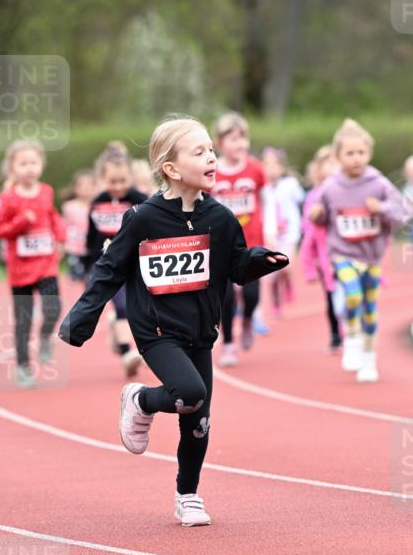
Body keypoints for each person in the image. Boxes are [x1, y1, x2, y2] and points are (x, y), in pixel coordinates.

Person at [58, 116, 288, 526]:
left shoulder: (219, 217)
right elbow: (109, 270)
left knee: (197, 420)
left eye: (211, 150)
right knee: (189, 390)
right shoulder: (143, 219)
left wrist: (259, 261)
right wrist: (82, 318)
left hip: (201, 330)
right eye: (199, 152)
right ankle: (141, 399)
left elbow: (235, 266)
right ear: (171, 168)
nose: (212, 157)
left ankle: (188, 495)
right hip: (158, 330)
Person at [310, 118, 406, 382]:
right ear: (338, 156)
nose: (356, 158)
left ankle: (368, 356)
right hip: (342, 254)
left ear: (369, 153)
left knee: (370, 307)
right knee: (352, 296)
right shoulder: (331, 186)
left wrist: (383, 209)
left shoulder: (379, 184)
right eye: (350, 153)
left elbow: (402, 213)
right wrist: (317, 214)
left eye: (361, 152)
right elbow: (317, 215)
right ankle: (351, 337)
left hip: (371, 257)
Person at [0, 139, 65, 388]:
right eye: (23, 163)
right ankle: (23, 366)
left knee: (53, 308)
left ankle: (45, 337)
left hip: (46, 265)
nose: (29, 168)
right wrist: (21, 222)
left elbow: (52, 216)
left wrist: (61, 238)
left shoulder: (46, 191)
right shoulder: (8, 198)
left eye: (33, 162)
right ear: (12, 167)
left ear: (41, 164)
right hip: (20, 271)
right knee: (22, 320)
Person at [85, 143, 147, 377]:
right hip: (108, 265)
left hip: (137, 263)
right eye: (113, 181)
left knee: (137, 309)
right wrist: (88, 267)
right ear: (102, 178)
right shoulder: (97, 202)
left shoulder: (140, 200)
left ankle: (117, 330)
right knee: (121, 306)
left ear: (130, 177)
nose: (119, 187)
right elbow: (91, 238)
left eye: (123, 181)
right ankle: (126, 353)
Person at [212, 112, 267, 366]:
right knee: (225, 296)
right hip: (221, 245)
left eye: (243, 138)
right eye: (233, 139)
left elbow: (268, 199)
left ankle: (247, 319)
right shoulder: (211, 172)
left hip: (252, 241)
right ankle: (228, 343)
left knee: (253, 294)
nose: (240, 144)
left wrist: (273, 231)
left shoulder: (255, 169)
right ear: (220, 143)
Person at [301, 145, 341, 350]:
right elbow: (308, 230)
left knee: (351, 295)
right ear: (319, 169)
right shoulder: (313, 196)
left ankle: (352, 331)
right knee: (331, 298)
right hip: (325, 257)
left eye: (335, 162)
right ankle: (336, 334)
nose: (332, 168)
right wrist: (310, 263)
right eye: (327, 163)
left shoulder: (346, 192)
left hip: (347, 253)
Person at [262, 147, 304, 315]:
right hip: (270, 235)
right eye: (267, 165)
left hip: (289, 233)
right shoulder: (262, 188)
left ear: (282, 168)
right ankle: (276, 302)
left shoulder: (290, 185)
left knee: (285, 267)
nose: (271, 170)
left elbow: (302, 200)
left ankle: (288, 282)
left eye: (275, 166)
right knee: (271, 274)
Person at [61, 170, 95, 283]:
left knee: (92, 278)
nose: (85, 188)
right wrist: (62, 244)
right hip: (74, 248)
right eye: (82, 185)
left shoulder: (97, 205)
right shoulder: (69, 207)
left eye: (89, 185)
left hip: (92, 248)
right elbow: (64, 226)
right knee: (77, 277)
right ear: (75, 188)